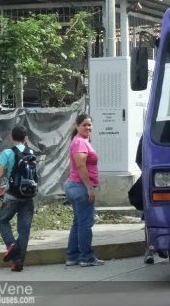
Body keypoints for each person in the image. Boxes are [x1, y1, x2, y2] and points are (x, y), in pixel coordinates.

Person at [64, 113, 104, 267]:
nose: (88, 127)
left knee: (78, 223)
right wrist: (89, 188)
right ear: (77, 126)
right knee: (85, 224)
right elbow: (81, 166)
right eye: (84, 125)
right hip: (80, 187)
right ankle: (86, 258)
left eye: (89, 124)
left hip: (74, 185)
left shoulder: (81, 141)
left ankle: (72, 257)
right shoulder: (80, 143)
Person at [0, 125, 35, 272]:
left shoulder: (7, 152)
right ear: (26, 138)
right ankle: (18, 262)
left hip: (12, 196)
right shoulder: (31, 152)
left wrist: (6, 183)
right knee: (24, 229)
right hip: (28, 195)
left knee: (3, 221)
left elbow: (0, 175)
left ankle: (12, 245)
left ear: (12, 138)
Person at [133, 136, 167, 264]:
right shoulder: (150, 134)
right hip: (154, 180)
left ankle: (163, 246)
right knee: (150, 216)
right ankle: (150, 250)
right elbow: (139, 160)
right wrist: (148, 173)